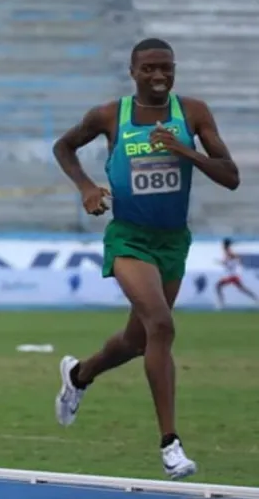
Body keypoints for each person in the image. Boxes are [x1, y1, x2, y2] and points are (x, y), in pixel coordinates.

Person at [51, 38, 240, 480]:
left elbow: (230, 176)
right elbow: (64, 147)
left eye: (166, 69)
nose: (159, 77)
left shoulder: (192, 112)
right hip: (129, 239)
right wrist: (86, 188)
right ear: (133, 71)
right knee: (161, 324)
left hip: (173, 242)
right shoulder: (109, 116)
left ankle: (79, 375)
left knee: (138, 341)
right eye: (150, 69)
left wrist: (184, 150)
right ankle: (170, 444)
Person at [215, 238, 257, 309]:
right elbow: (229, 262)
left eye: (223, 244)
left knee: (218, 286)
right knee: (242, 288)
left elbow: (234, 259)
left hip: (233, 275)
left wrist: (225, 262)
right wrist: (224, 262)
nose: (222, 246)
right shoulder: (227, 252)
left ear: (225, 245)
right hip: (233, 274)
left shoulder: (229, 252)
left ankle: (221, 303)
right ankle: (255, 298)